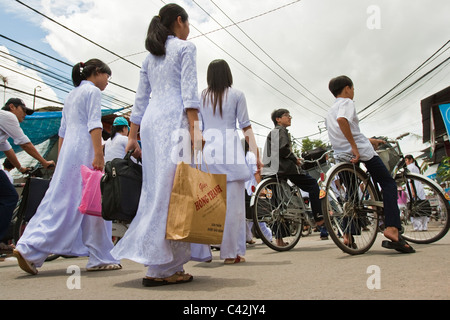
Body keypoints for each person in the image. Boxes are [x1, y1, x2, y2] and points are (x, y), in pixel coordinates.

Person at [111, 4, 206, 287]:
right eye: (187, 23)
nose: (189, 29)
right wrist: (195, 127)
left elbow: (140, 98)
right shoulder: (185, 49)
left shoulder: (149, 58)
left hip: (152, 124)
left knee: (157, 191)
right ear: (180, 21)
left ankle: (160, 262)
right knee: (176, 190)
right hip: (175, 120)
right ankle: (163, 267)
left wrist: (132, 134)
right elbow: (189, 91)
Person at [13, 59, 122, 275]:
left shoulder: (71, 96)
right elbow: (94, 124)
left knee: (65, 202)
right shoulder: (92, 92)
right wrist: (99, 154)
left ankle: (98, 255)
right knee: (88, 202)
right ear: (97, 72)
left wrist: (62, 160)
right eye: (107, 77)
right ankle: (30, 248)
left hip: (69, 154)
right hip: (85, 151)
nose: (107, 82)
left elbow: (62, 132)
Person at [325, 75, 414, 253]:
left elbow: (342, 130)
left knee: (352, 196)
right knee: (388, 183)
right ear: (347, 88)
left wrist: (366, 139)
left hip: (341, 155)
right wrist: (355, 146)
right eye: (353, 89)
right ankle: (392, 228)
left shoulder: (329, 112)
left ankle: (348, 235)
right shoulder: (347, 103)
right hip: (360, 152)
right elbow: (343, 121)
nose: (353, 92)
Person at [199, 59, 262, 264]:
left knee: (209, 205)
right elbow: (246, 127)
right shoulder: (236, 95)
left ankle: (203, 252)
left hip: (208, 152)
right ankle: (230, 253)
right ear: (228, 74)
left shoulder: (202, 96)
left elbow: (197, 128)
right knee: (234, 207)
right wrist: (257, 155)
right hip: (230, 151)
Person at [0, 98, 55, 254]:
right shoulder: (7, 116)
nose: (25, 115)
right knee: (10, 196)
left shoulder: (2, 127)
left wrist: (20, 167)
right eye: (23, 110)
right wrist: (44, 162)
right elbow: (24, 143)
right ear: (12, 107)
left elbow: (8, 149)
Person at [262, 108, 324, 246]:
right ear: (278, 119)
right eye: (286, 116)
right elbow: (284, 149)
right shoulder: (280, 130)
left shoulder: (272, 133)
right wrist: (295, 159)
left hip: (271, 171)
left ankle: (279, 239)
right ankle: (318, 217)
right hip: (284, 169)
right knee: (313, 184)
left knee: (277, 206)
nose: (289, 118)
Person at [405, 154, 428, 231]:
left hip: (413, 187)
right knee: (422, 206)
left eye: (406, 160)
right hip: (419, 187)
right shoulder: (416, 168)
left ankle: (418, 226)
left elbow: (410, 180)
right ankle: (424, 226)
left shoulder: (409, 167)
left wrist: (412, 190)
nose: (406, 162)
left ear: (411, 160)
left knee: (414, 207)